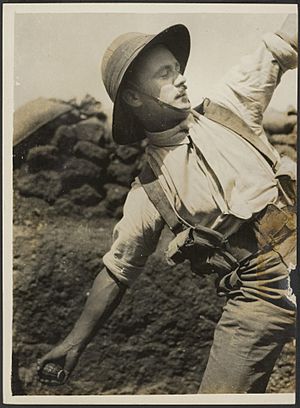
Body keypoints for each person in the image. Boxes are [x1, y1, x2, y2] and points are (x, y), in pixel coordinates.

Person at [37, 15, 297, 393]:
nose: (181, 77)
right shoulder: (149, 190)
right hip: (257, 295)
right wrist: (74, 343)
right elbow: (116, 271)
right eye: (164, 72)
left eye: (177, 69)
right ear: (133, 97)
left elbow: (280, 44)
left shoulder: (230, 106)